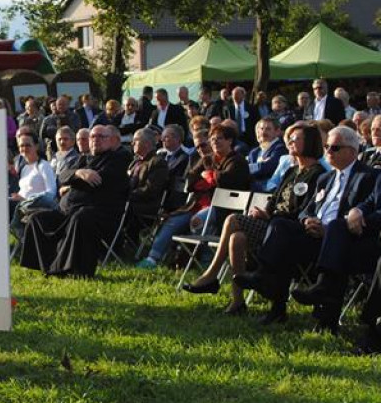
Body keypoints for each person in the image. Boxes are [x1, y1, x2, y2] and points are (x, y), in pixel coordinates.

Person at [236, 126, 377, 325]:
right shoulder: (325, 178)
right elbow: (306, 210)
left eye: (335, 148)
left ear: (352, 152)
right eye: (326, 146)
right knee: (281, 227)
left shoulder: (367, 177)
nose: (328, 151)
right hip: (313, 234)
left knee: (329, 231)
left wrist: (328, 229)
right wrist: (306, 220)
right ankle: (267, 284)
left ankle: (323, 305)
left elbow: (363, 212)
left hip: (341, 239)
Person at [182, 122, 326, 314]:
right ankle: (238, 301)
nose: (290, 142)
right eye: (289, 139)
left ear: (309, 143)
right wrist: (265, 212)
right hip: (272, 224)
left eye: (295, 139)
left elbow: (306, 210)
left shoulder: (318, 174)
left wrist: (271, 216)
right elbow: (275, 200)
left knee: (233, 219)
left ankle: (211, 274)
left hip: (289, 231)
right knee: (236, 238)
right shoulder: (292, 171)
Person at [21, 124, 131, 277]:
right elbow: (62, 176)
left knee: (81, 218)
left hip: (99, 214)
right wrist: (79, 172)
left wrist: (74, 180)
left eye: (101, 137)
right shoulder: (83, 159)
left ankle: (68, 269)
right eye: (93, 136)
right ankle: (45, 265)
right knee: (37, 218)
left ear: (111, 141)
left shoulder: (118, 159)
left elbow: (98, 181)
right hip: (67, 211)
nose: (96, 140)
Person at [136, 125, 251, 268]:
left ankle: (206, 261)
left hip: (223, 209)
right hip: (197, 205)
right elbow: (190, 180)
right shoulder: (208, 159)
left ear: (230, 141)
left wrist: (209, 176)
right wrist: (208, 179)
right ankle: (153, 258)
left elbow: (227, 182)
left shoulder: (237, 161)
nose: (215, 142)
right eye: (213, 139)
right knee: (173, 221)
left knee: (198, 221)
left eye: (220, 139)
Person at [9, 127, 56, 243]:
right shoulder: (24, 168)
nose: (24, 148)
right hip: (21, 205)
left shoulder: (44, 166)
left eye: (27, 145)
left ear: (36, 146)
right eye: (21, 146)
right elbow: (24, 190)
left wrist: (25, 199)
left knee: (5, 207)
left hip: (37, 206)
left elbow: (51, 193)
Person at [248, 118, 286, 192]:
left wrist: (251, 167)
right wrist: (260, 164)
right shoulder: (254, 152)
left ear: (277, 132)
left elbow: (269, 167)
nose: (263, 132)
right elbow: (247, 171)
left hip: (268, 190)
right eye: (262, 129)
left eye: (268, 129)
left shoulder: (280, 148)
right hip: (252, 188)